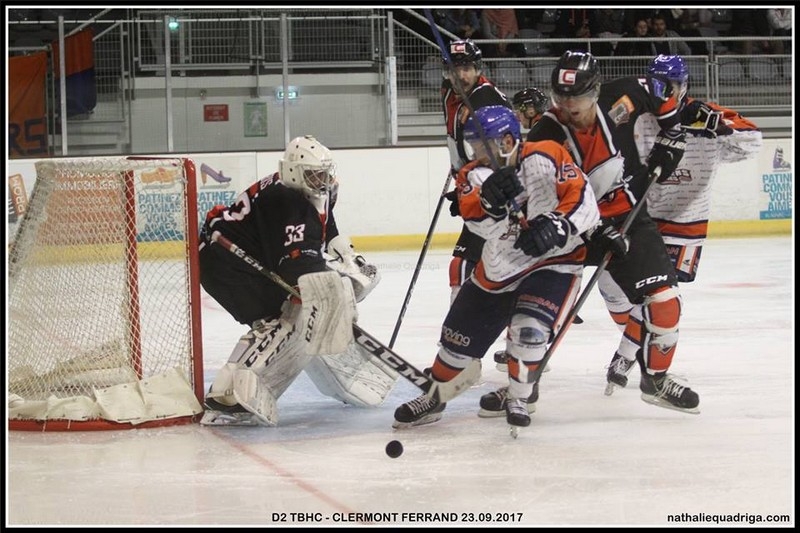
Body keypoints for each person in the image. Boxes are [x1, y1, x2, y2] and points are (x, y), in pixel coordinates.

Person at [483, 50, 700, 415]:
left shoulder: (624, 96)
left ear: (596, 91)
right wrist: (593, 228)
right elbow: (541, 201)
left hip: (630, 218)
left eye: (578, 98)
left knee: (665, 302)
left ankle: (656, 380)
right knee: (543, 312)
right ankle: (522, 384)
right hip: (573, 228)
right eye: (561, 98)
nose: (569, 107)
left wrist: (672, 133)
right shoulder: (545, 135)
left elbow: (664, 91)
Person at [393, 105, 601, 430]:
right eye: (473, 146)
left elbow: (583, 197)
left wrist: (558, 226)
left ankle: (519, 395)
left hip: (555, 263)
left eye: (481, 145)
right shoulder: (472, 176)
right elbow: (480, 228)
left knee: (528, 331)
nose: (476, 153)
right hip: (500, 266)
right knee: (455, 340)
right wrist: (491, 206)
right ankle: (435, 395)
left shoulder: (547, 154)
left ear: (507, 141)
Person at [198, 135, 394, 426]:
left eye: (325, 173)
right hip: (228, 265)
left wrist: (350, 261)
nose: (322, 181)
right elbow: (300, 271)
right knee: (286, 316)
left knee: (298, 312)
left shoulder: (307, 189)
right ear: (292, 171)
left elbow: (325, 227)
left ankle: (229, 388)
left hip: (235, 255)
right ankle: (230, 393)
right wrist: (339, 291)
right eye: (315, 175)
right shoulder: (288, 201)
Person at [603, 55, 763, 394]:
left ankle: (626, 356)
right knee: (619, 292)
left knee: (662, 297)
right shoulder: (639, 118)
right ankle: (630, 351)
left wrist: (714, 122)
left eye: (671, 85)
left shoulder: (703, 116)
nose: (664, 92)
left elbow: (753, 142)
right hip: (641, 218)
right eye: (657, 84)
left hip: (686, 223)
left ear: (684, 85)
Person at [439, 39, 512, 305]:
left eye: (467, 68)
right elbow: (457, 141)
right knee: (488, 261)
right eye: (454, 68)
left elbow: (500, 159)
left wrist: (469, 189)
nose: (461, 75)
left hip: (492, 191)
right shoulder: (449, 91)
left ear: (478, 68)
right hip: (472, 183)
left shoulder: (486, 100)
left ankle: (458, 323)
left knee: (463, 263)